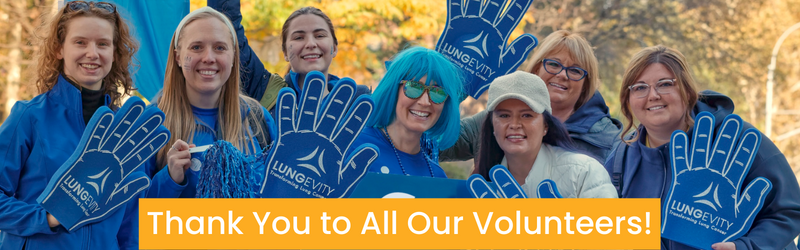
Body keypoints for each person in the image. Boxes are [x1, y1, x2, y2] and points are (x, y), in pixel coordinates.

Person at [605, 45, 800, 250]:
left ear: (687, 91)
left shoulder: (737, 141)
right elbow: (606, 231)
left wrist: (745, 246)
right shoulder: (621, 158)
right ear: (628, 99)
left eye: (664, 84)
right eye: (640, 87)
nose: (652, 95)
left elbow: (789, 210)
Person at [0, 1, 141, 249]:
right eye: (80, 42)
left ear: (114, 53)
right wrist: (46, 218)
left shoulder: (123, 131)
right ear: (59, 49)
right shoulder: (29, 117)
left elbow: (132, 219)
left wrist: (173, 177)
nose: (92, 53)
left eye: (103, 44)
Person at [145, 7, 276, 199]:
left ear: (233, 57)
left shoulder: (258, 118)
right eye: (196, 47)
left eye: (220, 48)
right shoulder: (151, 124)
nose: (208, 58)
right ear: (178, 57)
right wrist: (169, 180)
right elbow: (131, 217)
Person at [441, 30, 621, 163]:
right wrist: (452, 88)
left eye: (575, 70)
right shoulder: (495, 119)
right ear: (536, 69)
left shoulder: (610, 141)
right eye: (554, 64)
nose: (563, 75)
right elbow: (431, 143)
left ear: (585, 84)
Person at [208, 0, 369, 116]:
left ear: (334, 47)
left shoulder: (357, 103)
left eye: (319, 35)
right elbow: (227, 26)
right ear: (285, 52)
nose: (310, 43)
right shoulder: (264, 90)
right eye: (299, 38)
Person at [474, 71, 617, 198]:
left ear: (545, 126)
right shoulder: (481, 184)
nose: (514, 124)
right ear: (492, 125)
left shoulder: (584, 172)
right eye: (504, 116)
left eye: (527, 115)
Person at [354, 47, 463, 177]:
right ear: (393, 90)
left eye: (437, 92)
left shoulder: (436, 175)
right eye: (414, 87)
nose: (425, 102)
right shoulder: (352, 146)